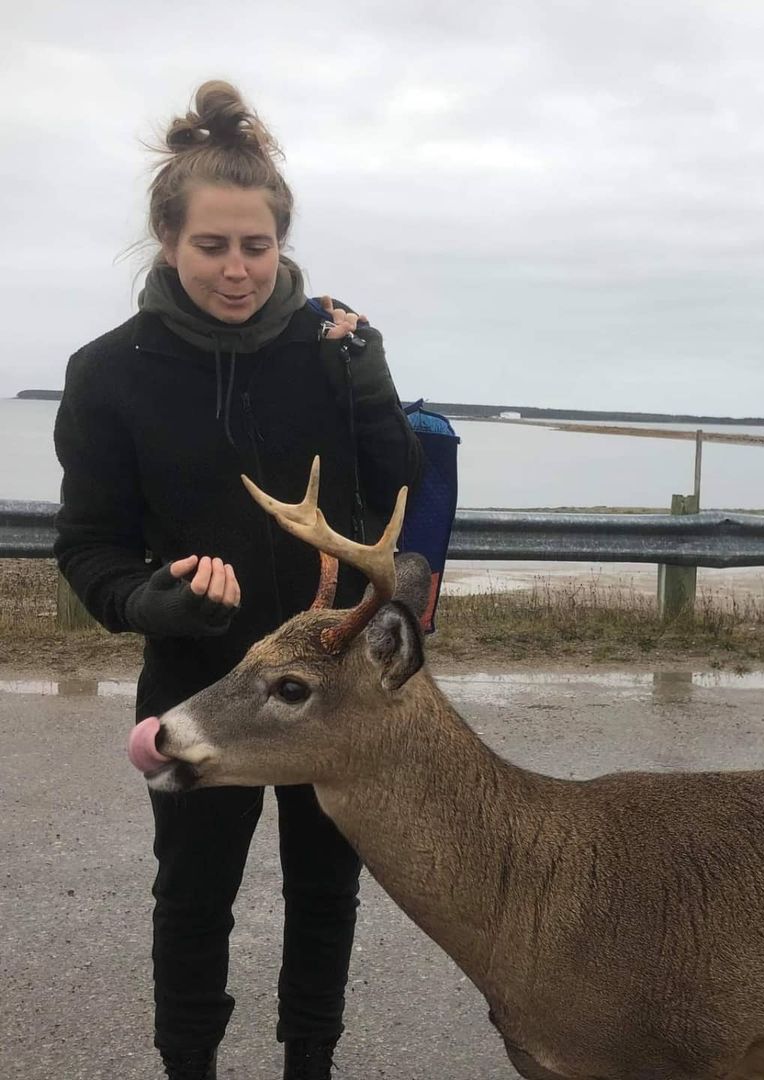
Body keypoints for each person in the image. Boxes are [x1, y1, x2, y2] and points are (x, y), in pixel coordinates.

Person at [53, 80, 422, 1080]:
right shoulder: (107, 374)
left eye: (255, 246)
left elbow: (397, 495)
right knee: (190, 895)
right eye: (212, 246)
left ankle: (311, 1064)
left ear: (282, 241)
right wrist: (145, 600)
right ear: (168, 241)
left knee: (326, 887)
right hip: (191, 683)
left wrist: (374, 387)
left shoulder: (332, 353)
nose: (236, 269)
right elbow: (88, 545)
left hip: (333, 682)